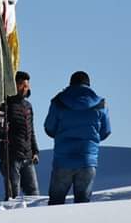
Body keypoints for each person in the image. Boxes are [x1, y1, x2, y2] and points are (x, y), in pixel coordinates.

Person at [44, 71, 111, 205]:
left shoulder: (59, 101)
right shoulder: (101, 104)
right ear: (88, 85)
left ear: (70, 84)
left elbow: (49, 128)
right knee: (82, 205)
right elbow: (106, 131)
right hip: (87, 161)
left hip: (63, 160)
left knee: (55, 204)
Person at [0, 71, 40, 200]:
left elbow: (31, 130)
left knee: (34, 194)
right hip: (10, 157)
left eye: (27, 85)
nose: (25, 88)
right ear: (14, 85)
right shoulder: (4, 105)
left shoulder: (28, 106)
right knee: (13, 195)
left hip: (28, 156)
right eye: (22, 85)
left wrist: (35, 150)